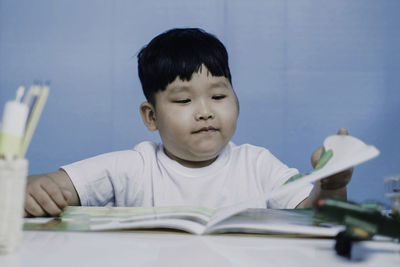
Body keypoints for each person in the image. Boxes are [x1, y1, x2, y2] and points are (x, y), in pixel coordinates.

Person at [24, 28, 352, 217]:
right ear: (151, 117)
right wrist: (35, 191)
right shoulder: (132, 167)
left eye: (219, 97)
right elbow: (47, 187)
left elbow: (316, 215)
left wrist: (332, 184)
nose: (205, 112)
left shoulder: (257, 165)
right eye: (183, 100)